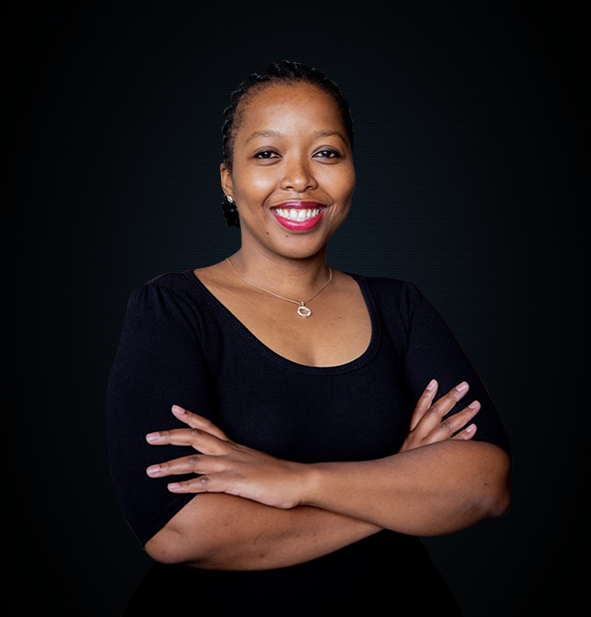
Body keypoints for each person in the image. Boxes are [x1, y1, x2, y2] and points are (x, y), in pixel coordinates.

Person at [107, 60, 511, 615]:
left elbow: (485, 486)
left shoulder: (401, 307)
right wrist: (398, 486)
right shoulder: (171, 309)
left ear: (351, 170)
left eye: (326, 153)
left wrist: (299, 482)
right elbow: (180, 530)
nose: (299, 178)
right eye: (267, 154)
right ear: (227, 179)